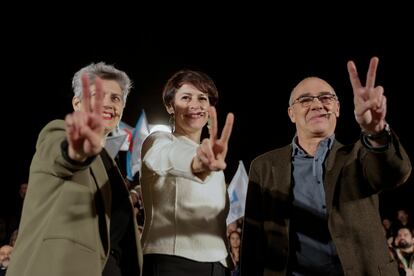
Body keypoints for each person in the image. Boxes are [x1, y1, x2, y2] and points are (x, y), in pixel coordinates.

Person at [241, 57, 412, 276]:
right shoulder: (264, 167)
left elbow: (395, 172)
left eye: (326, 98)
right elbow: (253, 243)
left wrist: (375, 131)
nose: (317, 104)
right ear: (291, 114)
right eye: (305, 100)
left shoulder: (360, 154)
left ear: (338, 108)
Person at [6, 62, 142, 276]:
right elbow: (59, 155)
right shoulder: (58, 132)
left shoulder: (110, 164)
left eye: (115, 98)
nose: (107, 104)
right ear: (77, 103)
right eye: (97, 96)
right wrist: (75, 152)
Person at [140, 69, 234, 276]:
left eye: (202, 98)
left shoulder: (212, 155)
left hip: (219, 264)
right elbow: (166, 156)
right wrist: (196, 164)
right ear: (170, 106)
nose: (195, 104)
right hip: (173, 263)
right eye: (185, 97)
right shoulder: (159, 141)